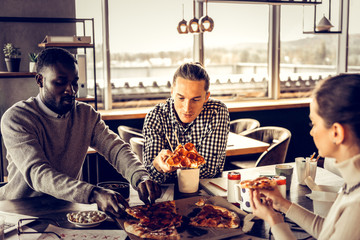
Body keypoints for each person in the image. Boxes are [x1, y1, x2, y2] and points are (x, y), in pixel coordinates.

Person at [0, 48, 161, 217]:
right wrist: (94, 193)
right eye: (60, 82)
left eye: (74, 82)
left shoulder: (86, 114)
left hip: (68, 208)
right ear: (40, 80)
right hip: (19, 213)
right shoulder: (16, 118)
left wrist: (140, 176)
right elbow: (38, 173)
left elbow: (115, 148)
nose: (71, 90)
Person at [249, 73, 360, 239]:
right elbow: (330, 231)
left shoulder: (356, 207)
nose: (311, 131)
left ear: (336, 132)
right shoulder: (353, 183)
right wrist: (283, 204)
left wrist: (274, 221)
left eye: (313, 123)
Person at [142, 62, 230, 183]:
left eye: (195, 99)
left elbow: (209, 170)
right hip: (165, 195)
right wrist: (157, 165)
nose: (187, 108)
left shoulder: (216, 111)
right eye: (181, 98)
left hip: (207, 192)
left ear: (206, 97)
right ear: (172, 92)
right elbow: (150, 174)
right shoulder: (156, 116)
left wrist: (173, 166)